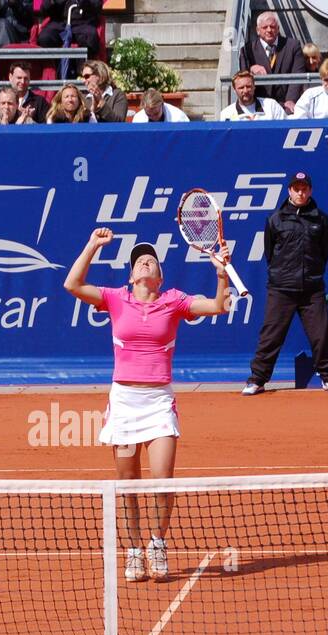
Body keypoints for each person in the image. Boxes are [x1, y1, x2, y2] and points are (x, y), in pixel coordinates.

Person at [63, 231, 231, 582]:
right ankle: (135, 549)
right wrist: (92, 244)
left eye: (151, 259)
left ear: (159, 276)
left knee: (162, 482)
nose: (144, 261)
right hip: (124, 402)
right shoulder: (114, 298)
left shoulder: (174, 300)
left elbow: (216, 306)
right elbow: (72, 283)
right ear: (131, 275)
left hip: (158, 403)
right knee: (128, 483)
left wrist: (220, 274)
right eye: (139, 260)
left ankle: (157, 542)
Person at [243, 172, 328, 397]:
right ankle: (257, 379)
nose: (300, 192)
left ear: (310, 191)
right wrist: (283, 274)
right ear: (289, 190)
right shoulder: (275, 219)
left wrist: (312, 274)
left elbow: (324, 252)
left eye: (304, 188)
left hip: (312, 289)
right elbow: (270, 253)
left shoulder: (320, 219)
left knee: (321, 334)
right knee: (271, 335)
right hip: (281, 288)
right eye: (296, 188)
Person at [240, 11, 303, 112]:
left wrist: (291, 100)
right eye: (265, 27)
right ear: (257, 30)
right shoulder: (247, 50)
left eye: (272, 26)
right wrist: (251, 69)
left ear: (278, 29)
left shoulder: (293, 46)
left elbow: (298, 74)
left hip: (286, 105)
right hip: (259, 106)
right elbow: (242, 77)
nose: (269, 30)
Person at [37, 1, 103, 62]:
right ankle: (54, 70)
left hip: (83, 23)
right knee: (45, 38)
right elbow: (44, 9)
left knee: (90, 37)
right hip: (59, 23)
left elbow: (97, 6)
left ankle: (83, 70)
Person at [219, 70, 287, 120]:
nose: (245, 91)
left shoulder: (271, 106)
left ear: (254, 87)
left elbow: (285, 129)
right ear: (234, 89)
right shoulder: (226, 114)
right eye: (241, 88)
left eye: (248, 86)